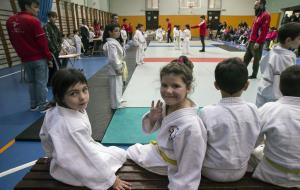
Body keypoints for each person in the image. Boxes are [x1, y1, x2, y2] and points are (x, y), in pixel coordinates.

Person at [39, 69, 131, 190]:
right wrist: (110, 180)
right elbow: (89, 157)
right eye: (73, 93)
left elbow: (44, 136)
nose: (82, 97)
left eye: (84, 90)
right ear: (60, 97)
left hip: (61, 161)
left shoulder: (53, 111)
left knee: (116, 153)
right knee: (117, 155)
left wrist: (50, 155)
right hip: (72, 171)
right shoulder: (72, 127)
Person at [127, 57, 207, 190]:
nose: (168, 91)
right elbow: (148, 130)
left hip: (167, 163)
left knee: (128, 152)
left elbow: (190, 169)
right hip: (161, 152)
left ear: (188, 88)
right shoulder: (168, 106)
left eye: (175, 86)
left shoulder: (192, 127)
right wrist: (153, 118)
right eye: (164, 85)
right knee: (128, 151)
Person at [198, 57, 260, 182]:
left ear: (216, 85)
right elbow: (255, 141)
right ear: (247, 85)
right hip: (240, 171)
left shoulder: (206, 112)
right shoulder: (253, 110)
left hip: (209, 170)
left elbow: (199, 145)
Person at [251, 65, 300, 188]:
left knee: (254, 151)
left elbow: (251, 142)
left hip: (272, 174)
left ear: (280, 87)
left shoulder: (269, 109)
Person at [6, 0, 52, 112]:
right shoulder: (33, 21)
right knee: (41, 82)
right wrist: (49, 57)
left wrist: (21, 54)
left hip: (25, 59)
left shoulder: (10, 21)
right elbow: (42, 42)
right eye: (35, 7)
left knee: (31, 82)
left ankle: (33, 105)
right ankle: (43, 104)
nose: (38, 10)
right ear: (27, 6)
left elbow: (13, 41)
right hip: (38, 58)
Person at [255, 22, 300, 108]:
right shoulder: (286, 57)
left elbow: (262, 65)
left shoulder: (274, 50)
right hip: (274, 95)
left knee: (260, 114)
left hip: (263, 88)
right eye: (299, 39)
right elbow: (289, 79)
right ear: (288, 40)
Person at [243, 0, 271, 79]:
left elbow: (264, 31)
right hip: (251, 41)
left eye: (256, 5)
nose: (254, 7)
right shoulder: (258, 16)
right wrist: (249, 39)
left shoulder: (266, 15)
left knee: (256, 60)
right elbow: (253, 30)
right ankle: (242, 72)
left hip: (257, 43)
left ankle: (254, 74)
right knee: (246, 58)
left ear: (261, 5)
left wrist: (258, 42)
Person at [103, 24, 126, 110]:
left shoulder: (114, 42)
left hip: (118, 66)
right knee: (115, 87)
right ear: (110, 32)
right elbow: (113, 58)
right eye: (116, 31)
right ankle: (116, 104)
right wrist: (118, 68)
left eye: (119, 30)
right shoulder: (111, 44)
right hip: (114, 68)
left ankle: (118, 101)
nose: (118, 32)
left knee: (118, 85)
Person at [43, 11, 62, 86]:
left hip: (56, 50)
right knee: (57, 66)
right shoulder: (46, 27)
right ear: (49, 17)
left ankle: (50, 82)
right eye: (51, 17)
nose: (53, 18)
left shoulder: (55, 27)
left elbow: (59, 37)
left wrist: (59, 46)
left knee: (53, 67)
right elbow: (47, 40)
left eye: (54, 17)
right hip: (51, 51)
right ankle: (55, 82)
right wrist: (53, 49)